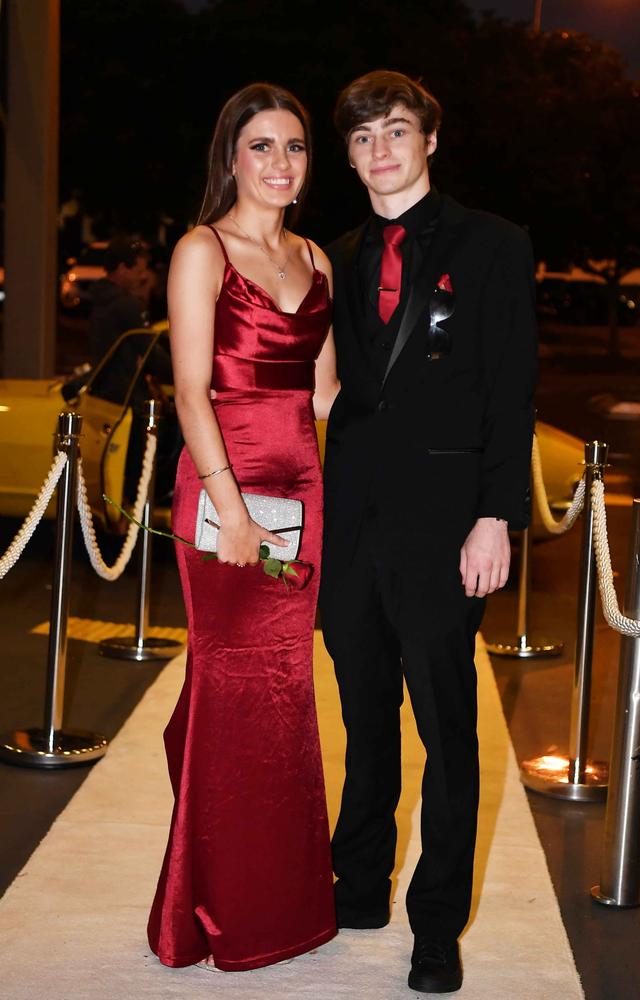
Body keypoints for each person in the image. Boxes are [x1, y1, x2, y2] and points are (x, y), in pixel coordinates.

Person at [320, 70, 537, 994]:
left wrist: (497, 517)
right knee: (364, 724)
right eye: (364, 138)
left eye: (396, 131)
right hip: (350, 523)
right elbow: (333, 390)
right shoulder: (332, 256)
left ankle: (435, 925)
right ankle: (358, 885)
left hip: (449, 527)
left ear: (430, 140)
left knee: (447, 734)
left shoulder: (492, 246)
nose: (380, 151)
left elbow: (510, 391)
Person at [147, 83, 340, 972]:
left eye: (294, 147)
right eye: (261, 147)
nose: (279, 164)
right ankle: (207, 910)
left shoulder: (317, 259)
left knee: (285, 695)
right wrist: (229, 512)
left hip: (301, 490)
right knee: (233, 693)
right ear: (231, 156)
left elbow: (328, 394)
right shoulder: (202, 250)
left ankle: (283, 903)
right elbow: (192, 393)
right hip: (225, 491)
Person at [88, 236, 150, 363]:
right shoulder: (127, 305)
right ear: (122, 269)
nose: (143, 277)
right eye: (139, 272)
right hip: (126, 382)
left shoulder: (98, 298)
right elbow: (150, 353)